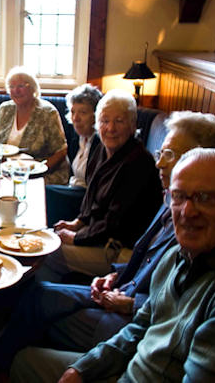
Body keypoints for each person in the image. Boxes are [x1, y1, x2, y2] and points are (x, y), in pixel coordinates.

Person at [0, 111, 215, 374]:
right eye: (160, 154)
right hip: (121, 287)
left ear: (204, 159)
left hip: (126, 317)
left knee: (36, 307)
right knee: (39, 294)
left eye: (170, 155)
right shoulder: (170, 201)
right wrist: (114, 277)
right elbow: (143, 256)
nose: (160, 164)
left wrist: (131, 303)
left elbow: (175, 311)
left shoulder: (200, 227)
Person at [11, 148, 215, 383]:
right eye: (178, 197)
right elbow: (138, 329)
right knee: (24, 361)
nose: (187, 211)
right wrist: (83, 369)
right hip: (129, 369)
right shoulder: (176, 256)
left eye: (204, 198)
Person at [44, 89, 162, 279]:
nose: (111, 128)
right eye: (105, 121)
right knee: (43, 238)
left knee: (45, 254)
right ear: (97, 124)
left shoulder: (138, 164)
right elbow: (91, 197)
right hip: (98, 236)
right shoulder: (103, 150)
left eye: (119, 121)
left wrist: (76, 237)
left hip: (119, 249)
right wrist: (77, 223)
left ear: (132, 126)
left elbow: (115, 224)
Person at [0, 66, 69, 185]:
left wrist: (37, 170)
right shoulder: (5, 109)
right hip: (6, 171)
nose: (16, 90)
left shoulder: (47, 112)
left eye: (21, 86)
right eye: (11, 87)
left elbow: (61, 151)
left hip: (41, 173)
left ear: (33, 88)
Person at [45, 84, 103, 225]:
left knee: (46, 193)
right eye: (72, 112)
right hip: (73, 189)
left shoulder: (101, 143)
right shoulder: (77, 137)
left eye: (83, 112)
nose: (75, 118)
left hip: (88, 200)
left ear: (97, 114)